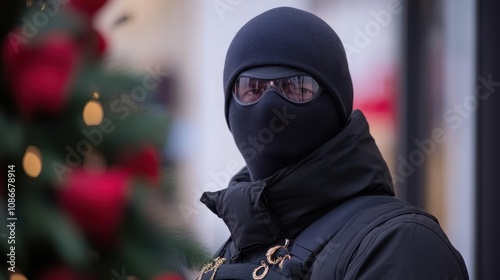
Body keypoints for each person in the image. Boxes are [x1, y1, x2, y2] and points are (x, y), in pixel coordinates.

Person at [198, 6, 469, 280]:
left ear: (336, 104)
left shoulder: (401, 245)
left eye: (296, 87)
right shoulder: (235, 246)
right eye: (252, 88)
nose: (270, 107)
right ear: (230, 107)